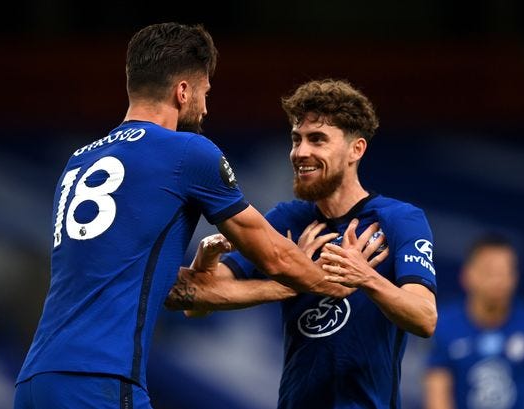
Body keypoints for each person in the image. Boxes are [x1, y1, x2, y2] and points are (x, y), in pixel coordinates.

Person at [13, 23, 367, 409]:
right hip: (99, 381)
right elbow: (275, 256)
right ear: (183, 90)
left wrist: (284, 288)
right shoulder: (187, 152)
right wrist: (334, 281)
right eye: (204, 93)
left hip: (36, 381)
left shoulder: (79, 161)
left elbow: (122, 276)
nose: (205, 107)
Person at [165, 79, 438, 408]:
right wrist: (210, 263)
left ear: (356, 149)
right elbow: (196, 306)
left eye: (317, 140)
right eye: (297, 139)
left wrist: (364, 276)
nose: (301, 152)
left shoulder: (399, 220)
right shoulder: (285, 221)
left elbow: (425, 318)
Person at [424, 234, 524, 409]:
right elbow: (437, 393)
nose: (497, 280)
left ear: (515, 277)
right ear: (467, 275)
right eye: (489, 271)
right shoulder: (445, 324)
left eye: (505, 272)